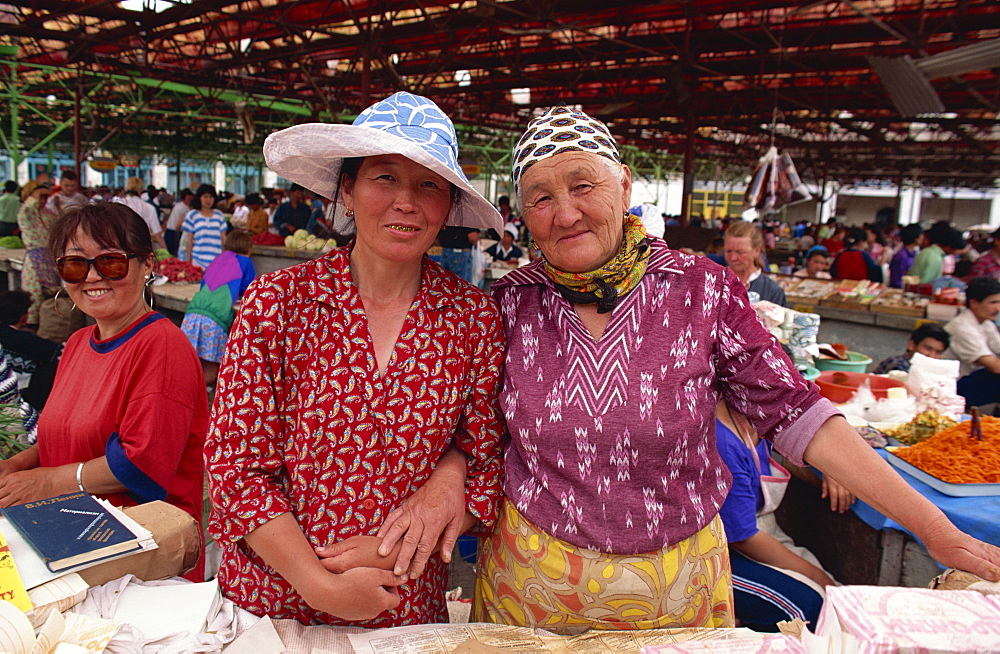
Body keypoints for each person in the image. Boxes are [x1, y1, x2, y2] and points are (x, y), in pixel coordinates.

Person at [417, 105, 1000, 635]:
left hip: (675, 586)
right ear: (522, 214)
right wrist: (448, 471)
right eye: (540, 197)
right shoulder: (511, 300)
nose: (564, 213)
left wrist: (932, 527)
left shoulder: (702, 289)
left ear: (623, 187)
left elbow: (799, 415)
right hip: (531, 586)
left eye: (582, 185)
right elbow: (472, 428)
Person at [206, 91, 506, 627]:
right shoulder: (277, 304)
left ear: (448, 206)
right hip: (274, 608)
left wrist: (445, 491)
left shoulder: (473, 319)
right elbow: (236, 467)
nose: (406, 202)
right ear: (348, 187)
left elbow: (488, 459)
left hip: (404, 609)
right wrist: (321, 585)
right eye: (385, 177)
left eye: (429, 184)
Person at [0, 203, 208, 580]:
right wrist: (18, 466)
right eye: (75, 265)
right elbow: (66, 433)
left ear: (147, 265)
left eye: (110, 262)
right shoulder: (79, 343)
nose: (92, 277)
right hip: (69, 545)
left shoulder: (162, 345)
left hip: (137, 563)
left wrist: (43, 482)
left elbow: (139, 464)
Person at [716, 402, 845, 631]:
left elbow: (808, 421)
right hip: (725, 548)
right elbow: (743, 538)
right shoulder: (722, 441)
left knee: (834, 599)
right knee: (807, 609)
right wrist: (815, 576)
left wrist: (832, 463)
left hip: (757, 533)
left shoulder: (755, 416)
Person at [180, 229, 256, 389]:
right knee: (213, 369)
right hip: (214, 321)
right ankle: (190, 392)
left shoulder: (218, 259)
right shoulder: (246, 262)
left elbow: (203, 285)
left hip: (191, 315)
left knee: (194, 363)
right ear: (248, 248)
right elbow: (248, 288)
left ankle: (185, 389)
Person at [943, 277, 1000, 407]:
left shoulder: (985, 323)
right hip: (953, 386)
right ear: (974, 303)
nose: (998, 308)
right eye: (993, 302)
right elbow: (995, 367)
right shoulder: (963, 327)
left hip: (971, 378)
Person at [0, 290, 63, 410]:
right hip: (18, 399)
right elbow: (61, 354)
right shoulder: (26, 340)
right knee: (49, 366)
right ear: (24, 317)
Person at [17, 180, 57, 327]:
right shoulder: (25, 212)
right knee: (34, 295)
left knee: (50, 295)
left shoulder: (48, 214)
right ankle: (30, 325)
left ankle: (45, 325)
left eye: (46, 198)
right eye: (40, 197)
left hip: (49, 259)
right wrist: (37, 191)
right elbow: (29, 206)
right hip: (34, 259)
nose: (42, 201)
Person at [725, 220, 787, 306]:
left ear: (757, 251)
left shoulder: (772, 291)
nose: (733, 258)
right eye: (728, 251)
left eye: (740, 252)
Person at [112, 176, 167, 251]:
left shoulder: (116, 205)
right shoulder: (149, 208)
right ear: (140, 189)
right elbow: (157, 234)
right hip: (141, 248)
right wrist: (167, 253)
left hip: (119, 247)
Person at [872, 323, 950, 374]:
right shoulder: (897, 365)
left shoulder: (932, 370)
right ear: (912, 345)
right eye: (928, 349)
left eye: (938, 352)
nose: (932, 356)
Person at [182, 183, 227, 270]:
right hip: (197, 262)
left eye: (211, 197)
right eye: (205, 197)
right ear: (199, 198)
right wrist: (188, 262)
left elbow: (223, 239)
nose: (208, 200)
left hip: (216, 262)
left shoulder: (219, 216)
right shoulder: (192, 215)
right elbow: (189, 241)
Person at [888, 224, 922, 288]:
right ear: (916, 238)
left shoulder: (915, 254)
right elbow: (896, 280)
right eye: (921, 236)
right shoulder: (901, 256)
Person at [164, 189, 194, 256]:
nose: (190, 201)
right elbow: (178, 226)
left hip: (169, 231)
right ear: (183, 198)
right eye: (188, 199)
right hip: (174, 233)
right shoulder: (184, 208)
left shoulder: (178, 205)